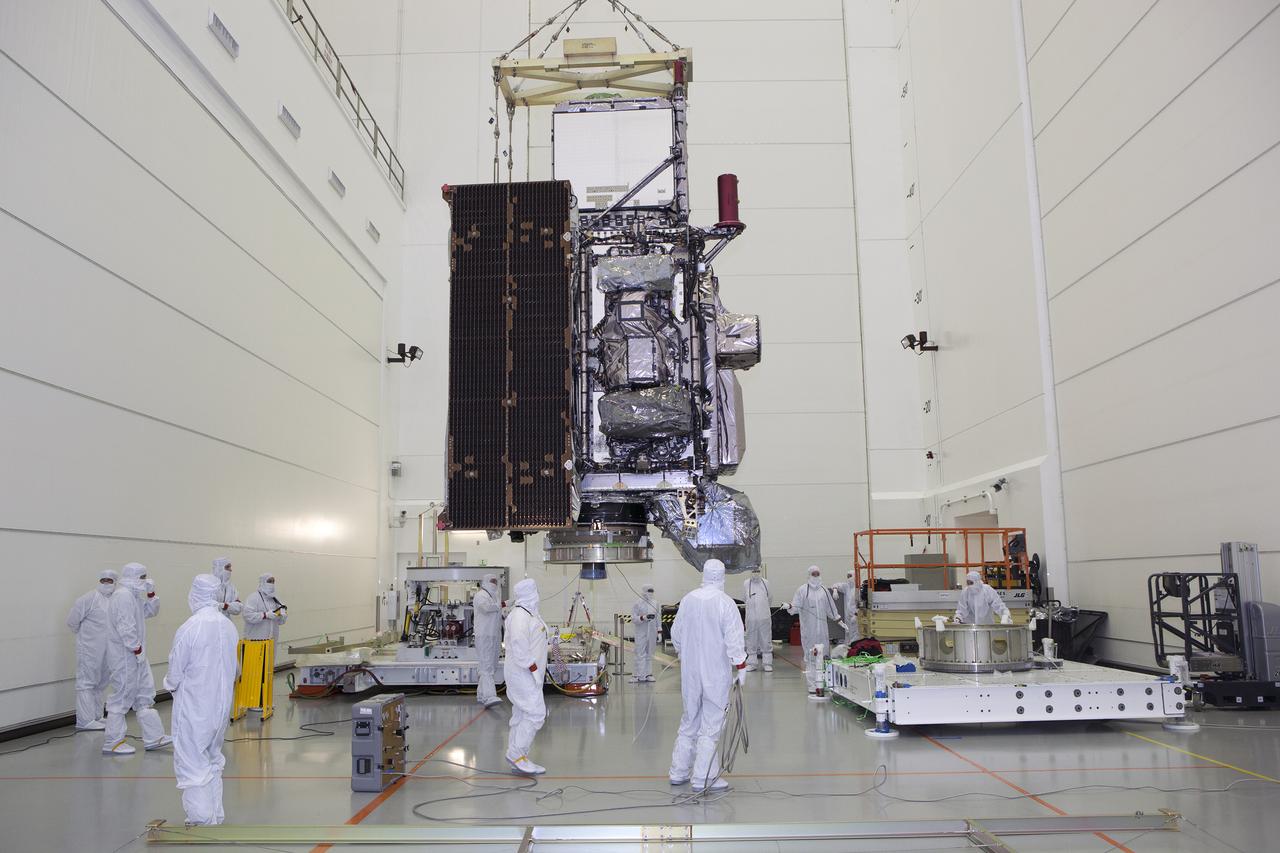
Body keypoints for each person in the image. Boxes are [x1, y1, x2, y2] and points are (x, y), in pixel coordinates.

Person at [164, 573, 238, 826]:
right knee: (213, 758)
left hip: (195, 706)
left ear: (195, 594)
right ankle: (215, 814)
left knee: (192, 760)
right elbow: (233, 667)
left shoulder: (191, 627)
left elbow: (175, 670)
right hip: (220, 707)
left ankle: (201, 819)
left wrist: (170, 686)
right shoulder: (228, 626)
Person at [669, 559, 747, 794]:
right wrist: (741, 665)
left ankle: (678, 771)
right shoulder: (725, 603)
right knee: (712, 723)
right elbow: (734, 637)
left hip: (690, 672)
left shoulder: (688, 599)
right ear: (722, 576)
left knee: (689, 719)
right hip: (715, 673)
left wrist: (684, 653)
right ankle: (703, 776)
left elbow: (676, 633)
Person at [103, 563, 172, 755]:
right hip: (125, 656)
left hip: (136, 655)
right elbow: (125, 626)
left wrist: (151, 594)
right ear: (132, 577)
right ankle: (113, 742)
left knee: (144, 695)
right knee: (122, 696)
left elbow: (150, 612)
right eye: (142, 577)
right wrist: (136, 648)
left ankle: (154, 737)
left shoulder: (133, 596)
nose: (144, 580)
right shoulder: (122, 596)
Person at [503, 578, 549, 775]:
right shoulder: (520, 616)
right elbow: (520, 648)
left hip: (527, 673)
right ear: (531, 593)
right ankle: (517, 754)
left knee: (521, 713)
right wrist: (533, 669)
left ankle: (517, 755)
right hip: (523, 673)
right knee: (535, 713)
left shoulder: (529, 613)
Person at [66, 570, 118, 730]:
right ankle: (85, 720)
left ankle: (97, 716)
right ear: (99, 580)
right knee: (86, 683)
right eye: (104, 580)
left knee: (101, 683)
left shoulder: (116, 600)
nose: (106, 583)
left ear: (115, 582)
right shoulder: (89, 598)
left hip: (108, 650)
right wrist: (86, 639)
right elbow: (72, 621)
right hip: (89, 649)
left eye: (110, 580)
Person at [786, 566, 840, 696]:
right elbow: (795, 607)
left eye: (817, 573)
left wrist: (838, 619)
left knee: (824, 656)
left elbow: (831, 608)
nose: (815, 576)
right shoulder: (802, 590)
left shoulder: (824, 590)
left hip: (822, 631)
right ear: (809, 575)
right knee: (811, 657)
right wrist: (789, 606)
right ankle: (812, 685)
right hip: (809, 631)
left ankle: (824, 683)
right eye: (813, 574)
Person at [472, 574, 504, 709]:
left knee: (491, 665)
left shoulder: (494, 597)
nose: (494, 583)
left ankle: (481, 694)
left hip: (494, 635)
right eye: (492, 581)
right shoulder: (480, 595)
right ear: (485, 582)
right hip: (484, 635)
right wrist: (502, 604)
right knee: (486, 666)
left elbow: (498, 615)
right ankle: (489, 696)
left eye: (496, 581)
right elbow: (486, 608)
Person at [742, 568, 773, 672]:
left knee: (766, 639)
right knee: (751, 639)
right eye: (753, 571)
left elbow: (770, 598)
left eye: (757, 571)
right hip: (751, 618)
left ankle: (767, 663)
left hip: (764, 617)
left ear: (760, 571)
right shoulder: (746, 583)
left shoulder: (766, 583)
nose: (755, 573)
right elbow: (744, 598)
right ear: (750, 572)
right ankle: (752, 663)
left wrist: (763, 610)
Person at [242, 573, 287, 643]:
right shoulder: (254, 597)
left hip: (272, 640)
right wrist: (265, 615)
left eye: (273, 581)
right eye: (269, 581)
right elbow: (247, 615)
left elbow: (280, 622)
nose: (272, 584)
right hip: (255, 639)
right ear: (262, 582)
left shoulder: (275, 599)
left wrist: (282, 615)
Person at [630, 584, 659, 683]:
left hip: (652, 632)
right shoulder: (637, 603)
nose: (650, 593)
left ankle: (648, 674)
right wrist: (643, 618)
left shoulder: (655, 603)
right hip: (641, 632)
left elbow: (658, 618)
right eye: (648, 591)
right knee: (639, 653)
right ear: (644, 592)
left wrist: (659, 631)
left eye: (652, 591)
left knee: (650, 653)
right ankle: (637, 675)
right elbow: (633, 618)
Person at [831, 570, 861, 646]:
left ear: (855, 576)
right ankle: (848, 647)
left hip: (855, 616)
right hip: (847, 616)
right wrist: (835, 590)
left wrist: (856, 614)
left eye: (850, 576)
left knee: (856, 633)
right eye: (847, 576)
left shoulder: (859, 588)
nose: (848, 578)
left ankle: (854, 647)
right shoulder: (847, 587)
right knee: (848, 632)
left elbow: (861, 603)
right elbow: (835, 585)